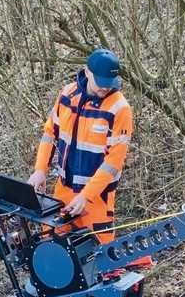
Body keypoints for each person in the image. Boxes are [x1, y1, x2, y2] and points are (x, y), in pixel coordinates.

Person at [28, 48, 132, 244]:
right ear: (87, 71)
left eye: (108, 84)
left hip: (96, 198)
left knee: (100, 258)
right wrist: (40, 170)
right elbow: (50, 133)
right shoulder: (67, 94)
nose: (104, 88)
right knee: (51, 246)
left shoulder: (119, 108)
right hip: (64, 189)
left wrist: (87, 195)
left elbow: (114, 162)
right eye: (100, 82)